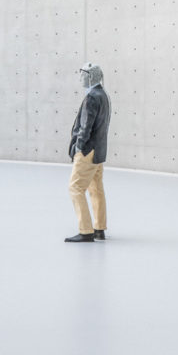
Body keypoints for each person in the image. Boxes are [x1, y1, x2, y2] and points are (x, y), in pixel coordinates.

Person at [65, 62, 111, 242]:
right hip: (99, 151)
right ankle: (99, 228)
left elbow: (85, 127)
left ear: (91, 77)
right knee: (96, 188)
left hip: (88, 151)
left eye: (83, 75)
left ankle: (85, 231)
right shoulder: (104, 95)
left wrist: (79, 147)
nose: (80, 78)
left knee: (75, 188)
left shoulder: (92, 97)